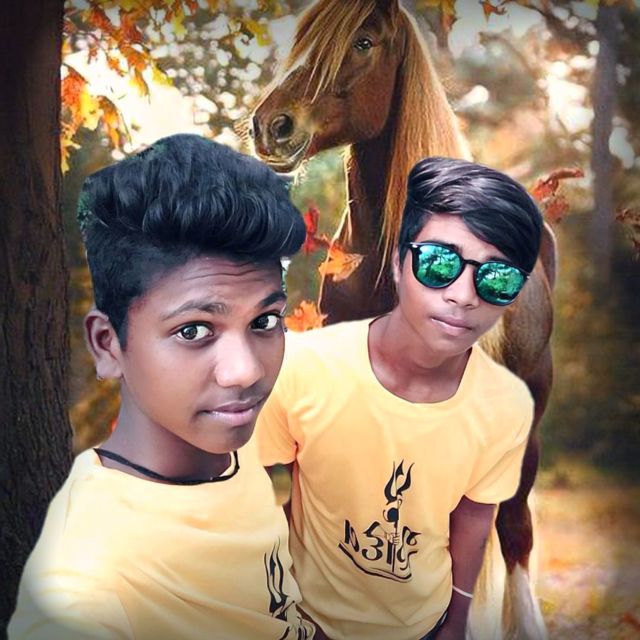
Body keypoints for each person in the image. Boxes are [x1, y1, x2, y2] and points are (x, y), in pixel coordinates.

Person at [9, 134, 314, 640]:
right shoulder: (86, 587)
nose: (244, 372)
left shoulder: (229, 447)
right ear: (108, 344)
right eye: (193, 331)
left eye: (264, 321)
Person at [256, 156, 542, 640]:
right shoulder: (304, 369)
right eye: (439, 263)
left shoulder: (506, 405)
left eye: (496, 279)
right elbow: (238, 486)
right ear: (397, 263)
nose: (463, 295)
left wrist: (456, 621)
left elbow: (475, 514)